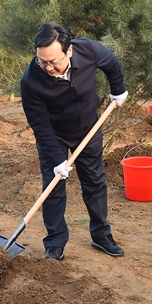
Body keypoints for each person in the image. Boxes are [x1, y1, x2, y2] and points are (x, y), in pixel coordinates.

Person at [20, 23, 128, 261]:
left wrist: (118, 89)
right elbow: (40, 125)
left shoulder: (88, 50)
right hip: (54, 134)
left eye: (54, 61)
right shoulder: (30, 80)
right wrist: (58, 160)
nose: (48, 67)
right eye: (42, 61)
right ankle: (55, 242)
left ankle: (101, 234)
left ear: (69, 51)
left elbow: (110, 62)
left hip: (89, 127)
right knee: (54, 186)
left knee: (95, 180)